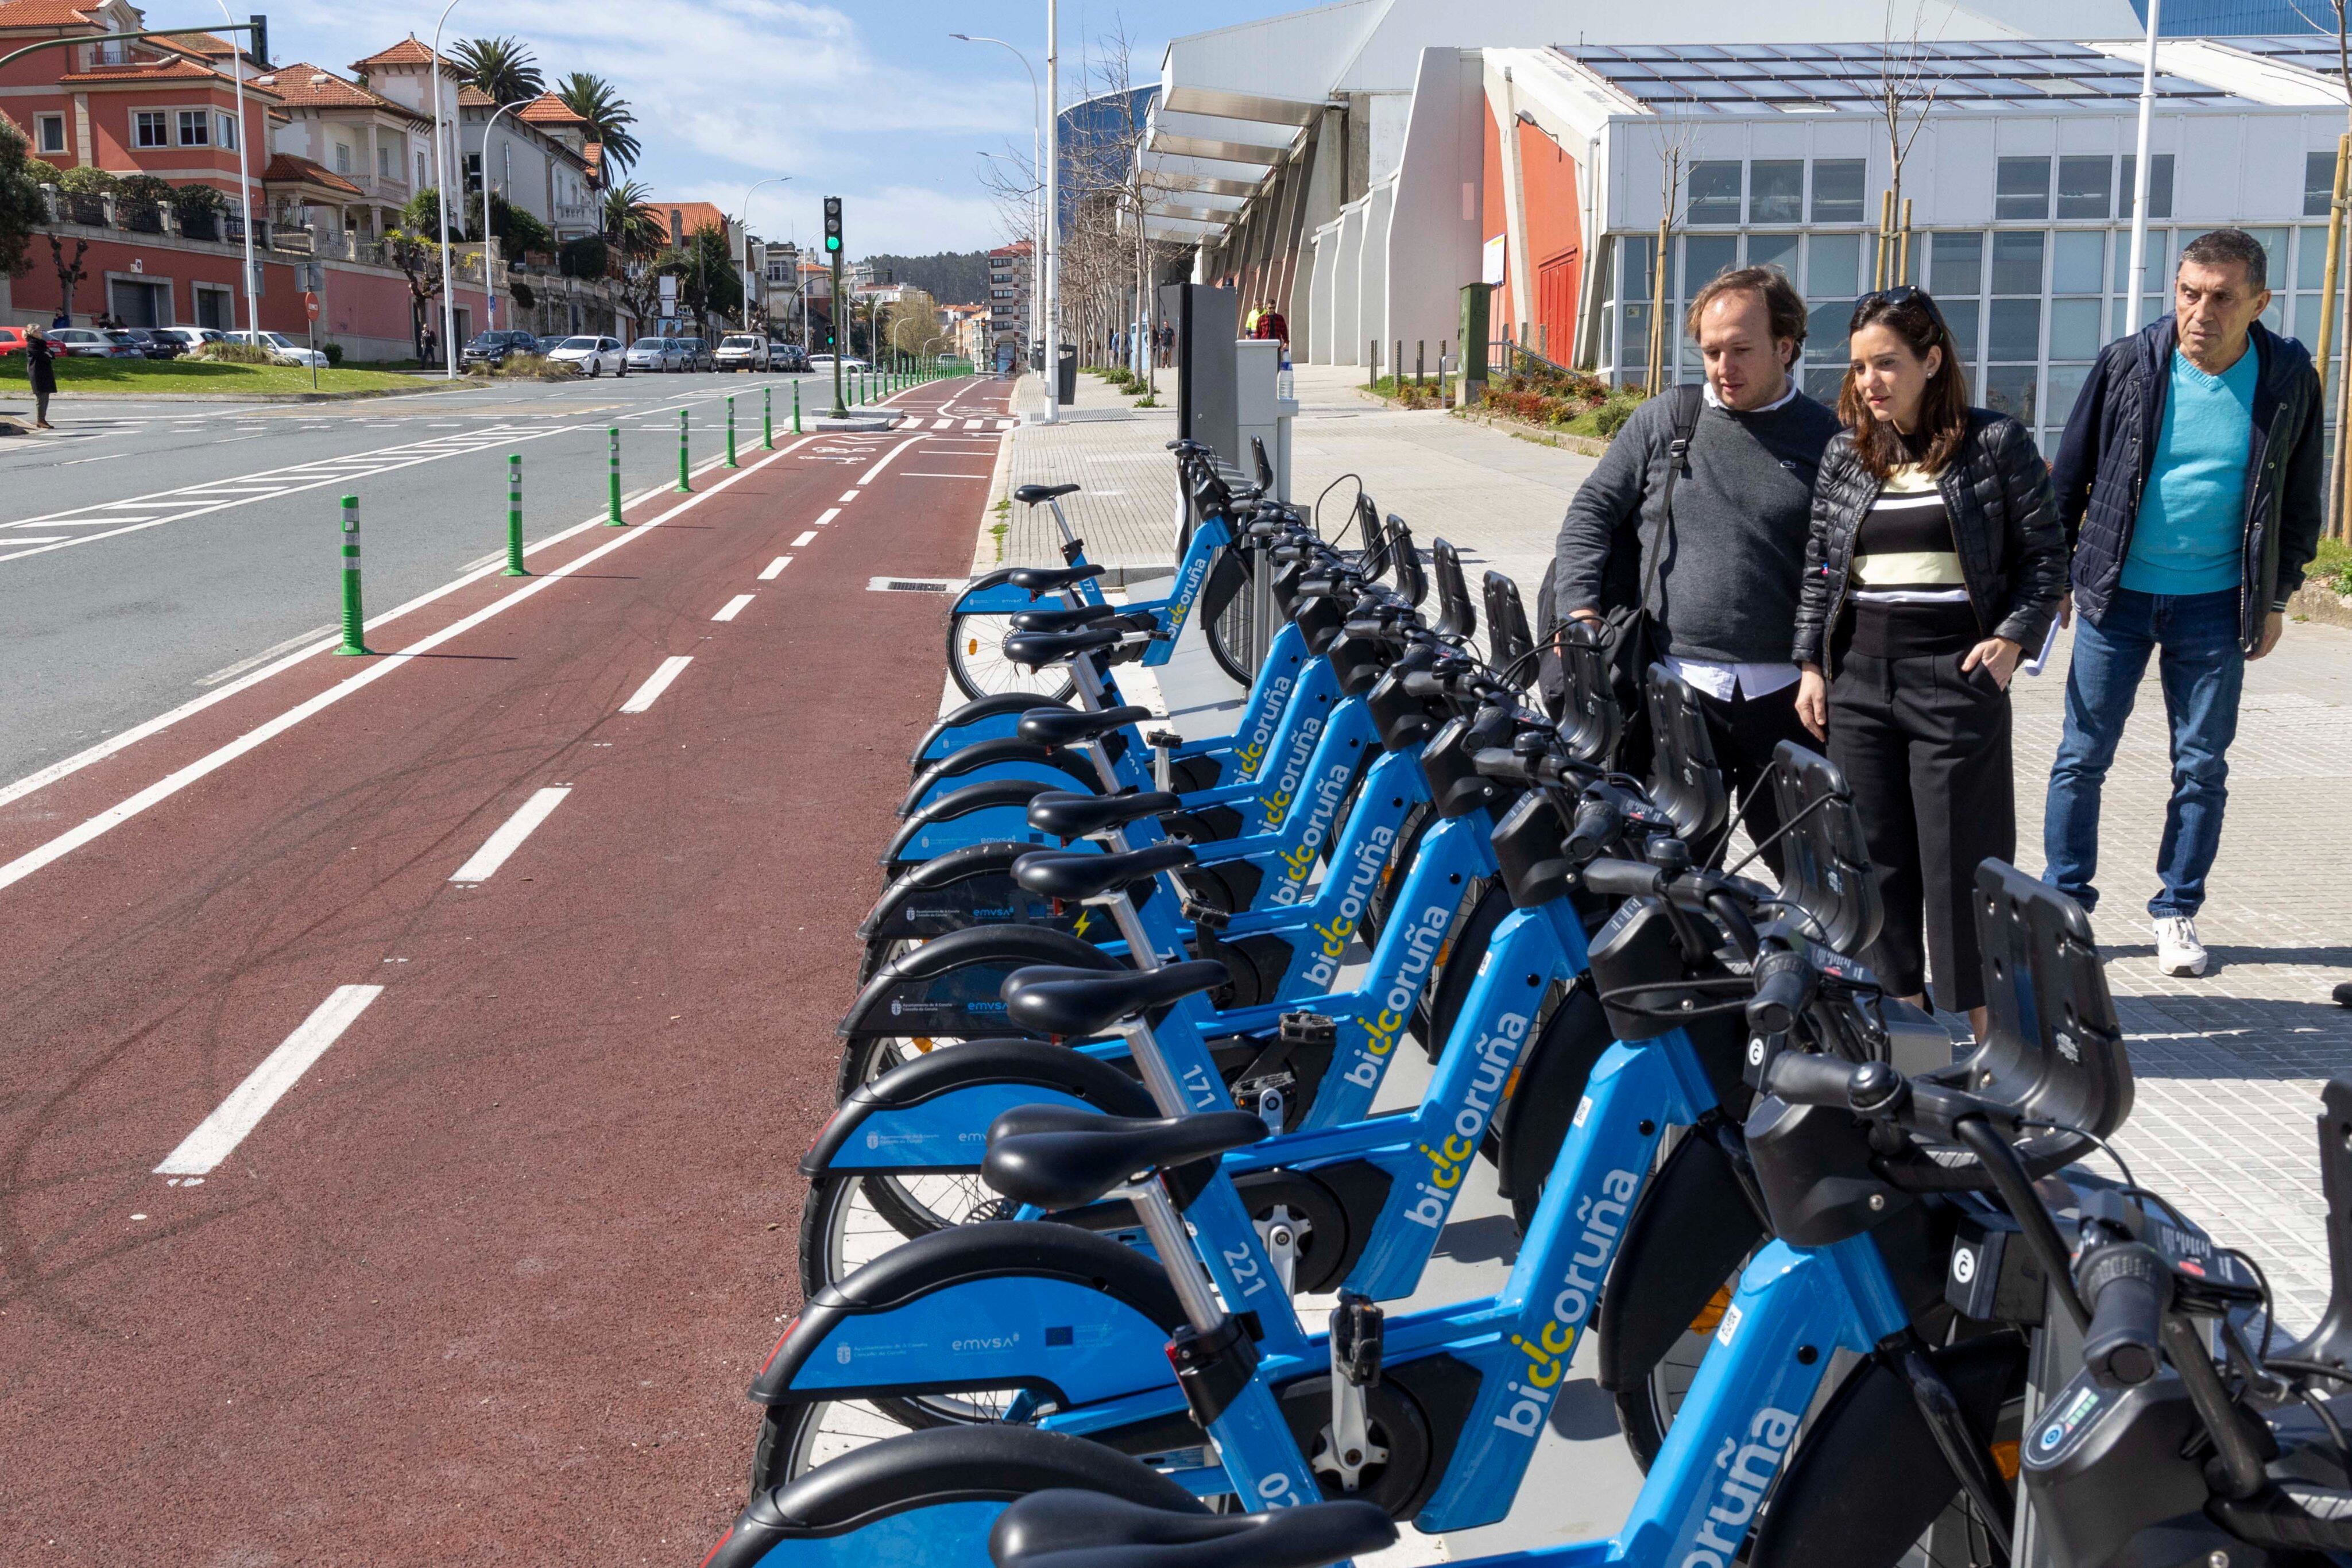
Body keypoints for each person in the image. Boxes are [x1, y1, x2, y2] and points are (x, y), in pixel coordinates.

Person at [2045, 227, 2324, 977]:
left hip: (2214, 603)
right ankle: (2064, 906)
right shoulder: (2130, 362)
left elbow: (2300, 501)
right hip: (2118, 592)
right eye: (2188, 292)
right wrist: (2054, 581)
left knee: (2201, 765)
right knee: (2081, 756)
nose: (2200, 311)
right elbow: (2068, 477)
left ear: (2259, 302)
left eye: (2222, 297)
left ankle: (2177, 911)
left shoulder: (2288, 374)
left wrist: (2276, 598)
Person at [1794, 288, 2067, 1038]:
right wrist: (1812, 666)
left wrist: (2012, 639)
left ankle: (1979, 1035)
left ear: (1932, 359)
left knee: (1959, 864)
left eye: (1886, 363)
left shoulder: (1995, 444)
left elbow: (2047, 557)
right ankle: (1904, 1035)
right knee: (1873, 862)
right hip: (1858, 678)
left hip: (1955, 673)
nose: (1870, 382)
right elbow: (1821, 568)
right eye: (1858, 369)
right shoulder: (1846, 455)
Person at [1553, 265, 1840, 870]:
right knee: (1665, 883)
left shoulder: (1827, 439)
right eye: (1711, 352)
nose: (1722, 367)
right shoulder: (1667, 420)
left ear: (1785, 347)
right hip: (1676, 696)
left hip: (1788, 703)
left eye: (1741, 350)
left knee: (1814, 884)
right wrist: (1577, 606)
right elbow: (1591, 511)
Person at [24, 323, 55, 429]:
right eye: (39, 331)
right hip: (38, 372)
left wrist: (48, 354)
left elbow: (51, 354)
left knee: (46, 395)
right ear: (33, 333)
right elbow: (43, 356)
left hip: (45, 371)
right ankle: (40, 420)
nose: (41, 333)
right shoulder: (32, 344)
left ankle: (43, 419)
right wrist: (47, 354)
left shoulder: (42, 343)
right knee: (41, 396)